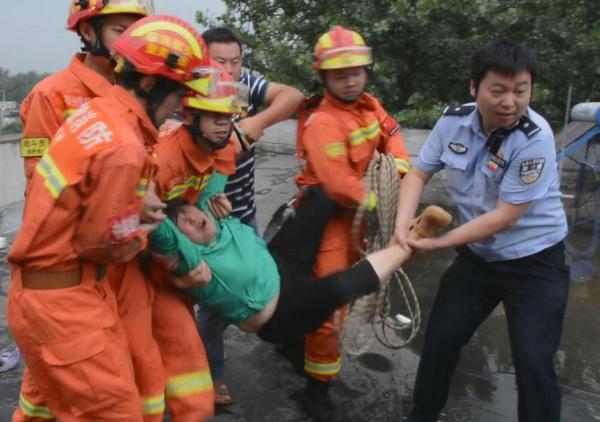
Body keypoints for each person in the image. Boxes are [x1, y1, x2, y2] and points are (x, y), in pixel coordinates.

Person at [7, 15, 215, 421]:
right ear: (152, 86)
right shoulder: (124, 148)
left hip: (54, 291)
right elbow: (100, 244)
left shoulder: (97, 112)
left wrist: (133, 204)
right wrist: (144, 226)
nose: (181, 109)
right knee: (115, 411)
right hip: (65, 301)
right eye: (179, 97)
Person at [393, 41, 570, 422]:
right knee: (440, 340)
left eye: (520, 91)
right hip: (478, 259)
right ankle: (422, 415)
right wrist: (400, 226)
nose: (510, 101)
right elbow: (419, 172)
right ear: (475, 88)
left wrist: (435, 244)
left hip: (534, 261)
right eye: (498, 90)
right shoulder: (453, 121)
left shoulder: (535, 137)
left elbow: (504, 216)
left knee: (533, 362)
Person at [150, 183, 450, 346]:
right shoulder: (190, 258)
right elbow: (157, 225)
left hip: (279, 262)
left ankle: (387, 213)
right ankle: (411, 240)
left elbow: (216, 155)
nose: (190, 218)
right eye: (182, 225)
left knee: (320, 197)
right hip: (282, 312)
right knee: (339, 286)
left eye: (187, 211)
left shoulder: (209, 211)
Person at [294, 25, 411, 419]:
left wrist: (397, 167)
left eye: (356, 73)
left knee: (356, 294)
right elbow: (337, 181)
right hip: (327, 218)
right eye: (340, 75)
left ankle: (316, 367)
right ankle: (316, 389)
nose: (350, 81)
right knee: (330, 303)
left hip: (361, 215)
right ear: (323, 77)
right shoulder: (322, 121)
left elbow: (392, 134)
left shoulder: (369, 106)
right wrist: (377, 199)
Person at [198, 26, 305, 405]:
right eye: (218, 62)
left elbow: (293, 96)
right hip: (204, 224)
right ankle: (213, 374)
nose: (227, 71)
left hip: (244, 213)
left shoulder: (244, 84)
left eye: (235, 61)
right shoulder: (189, 88)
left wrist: (254, 123)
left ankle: (281, 338)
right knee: (213, 305)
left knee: (263, 280)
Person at [148, 65, 242, 419]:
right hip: (146, 271)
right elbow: (145, 225)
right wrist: (182, 269)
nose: (223, 124)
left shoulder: (219, 148)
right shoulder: (165, 159)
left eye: (228, 117)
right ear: (190, 115)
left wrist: (210, 212)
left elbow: (199, 199)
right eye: (214, 117)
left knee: (180, 373)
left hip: (173, 273)